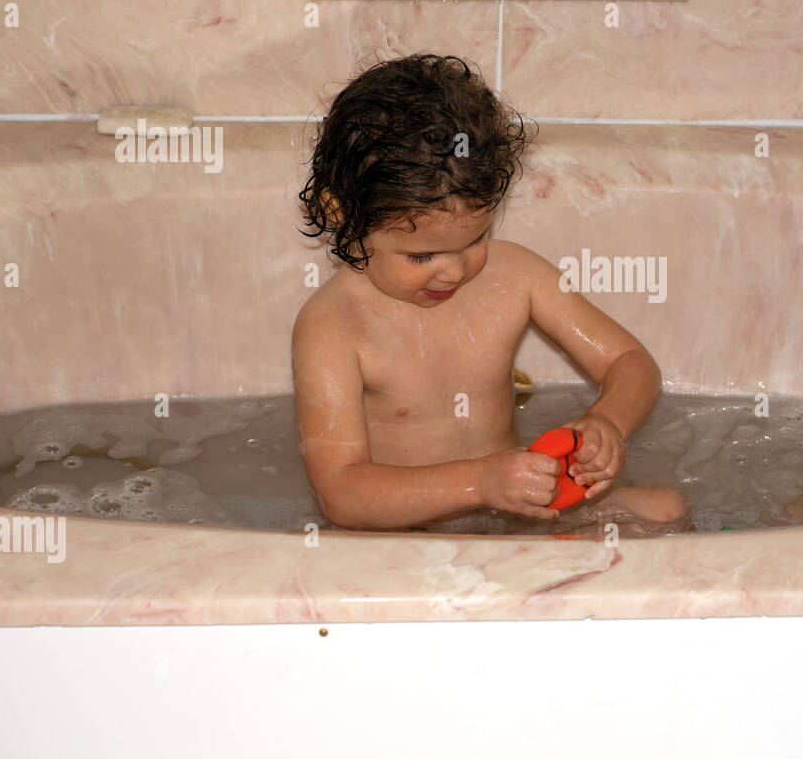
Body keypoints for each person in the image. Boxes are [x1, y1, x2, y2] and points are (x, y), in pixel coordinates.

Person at [292, 54, 686, 531]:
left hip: (514, 506)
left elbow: (630, 361)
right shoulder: (333, 328)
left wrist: (607, 423)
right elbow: (342, 494)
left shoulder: (515, 276)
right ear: (340, 215)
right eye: (421, 257)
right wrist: (477, 483)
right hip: (398, 534)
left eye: (475, 240)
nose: (455, 271)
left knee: (667, 511)